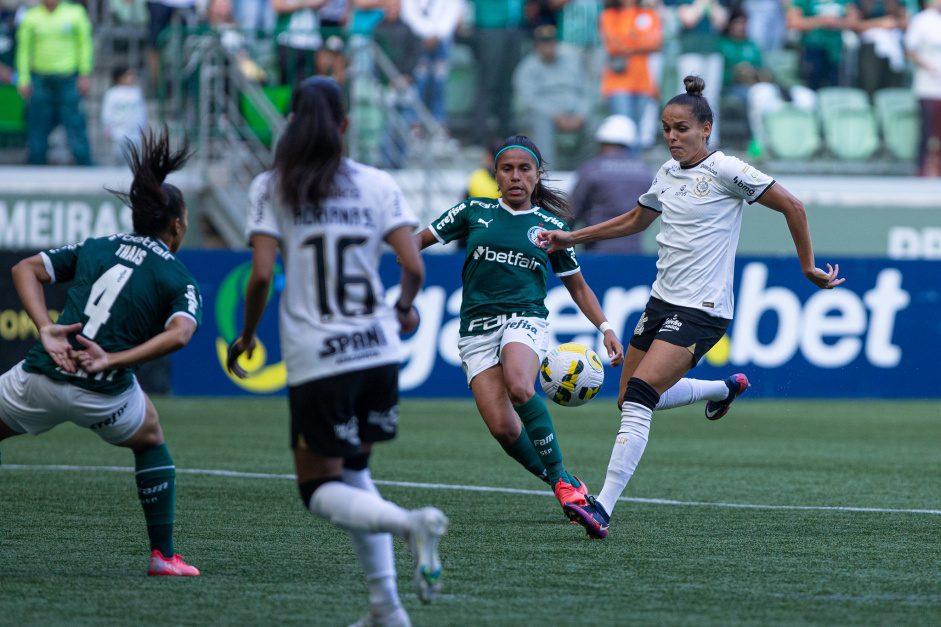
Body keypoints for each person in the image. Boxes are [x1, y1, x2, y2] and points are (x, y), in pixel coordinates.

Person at [538, 76, 845, 539]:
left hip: (703, 308)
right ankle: (721, 389)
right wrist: (571, 236)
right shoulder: (666, 173)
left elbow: (793, 206)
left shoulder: (727, 170)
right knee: (628, 398)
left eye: (681, 128)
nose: (672, 136)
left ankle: (602, 507)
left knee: (640, 396)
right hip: (661, 301)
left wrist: (807, 267)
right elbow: (635, 219)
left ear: (706, 127)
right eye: (665, 128)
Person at [225, 76, 447, 627]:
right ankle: (385, 609)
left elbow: (258, 278)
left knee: (318, 487)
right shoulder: (378, 183)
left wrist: (248, 335)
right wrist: (403, 306)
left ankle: (407, 524)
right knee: (352, 471)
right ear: (345, 125)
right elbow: (414, 266)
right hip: (378, 352)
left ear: (291, 124)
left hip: (319, 356)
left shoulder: (271, 185)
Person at [0, 128, 202, 576]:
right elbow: (180, 334)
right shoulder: (178, 277)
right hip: (105, 395)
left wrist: (47, 328)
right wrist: (114, 360)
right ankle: (164, 557)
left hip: (42, 376)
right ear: (176, 224)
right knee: (150, 438)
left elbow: (24, 269)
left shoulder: (97, 246)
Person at [413, 134, 626, 514]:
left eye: (524, 169)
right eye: (507, 169)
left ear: (538, 175)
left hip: (524, 318)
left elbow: (577, 286)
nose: (516, 176)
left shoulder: (550, 226)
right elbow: (415, 243)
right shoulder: (472, 211)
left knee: (519, 384)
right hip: (475, 329)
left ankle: (560, 478)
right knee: (504, 429)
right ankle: (567, 484)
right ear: (495, 174)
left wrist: (606, 327)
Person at [15, 0, 93, 165]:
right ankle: (35, 168)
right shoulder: (31, 16)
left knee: (75, 125)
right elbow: (24, 49)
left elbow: (85, 44)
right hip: (40, 79)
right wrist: (23, 78)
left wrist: (85, 73)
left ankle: (85, 167)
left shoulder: (75, 12)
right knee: (38, 126)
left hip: (69, 79)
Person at [512, 24, 593, 169]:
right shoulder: (528, 67)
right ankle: (548, 175)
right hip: (546, 113)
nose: (549, 47)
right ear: (536, 46)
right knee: (540, 123)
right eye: (544, 44)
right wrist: (555, 115)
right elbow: (529, 100)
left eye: (551, 43)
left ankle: (586, 172)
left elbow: (586, 92)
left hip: (575, 111)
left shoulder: (572, 61)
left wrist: (581, 114)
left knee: (596, 124)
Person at [570, 114, 651, 253]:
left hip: (598, 251)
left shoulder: (592, 169)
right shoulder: (645, 172)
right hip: (634, 252)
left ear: (603, 142)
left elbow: (571, 212)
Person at [598, 0, 663, 148]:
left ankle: (633, 168)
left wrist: (627, 41)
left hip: (643, 82)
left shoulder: (648, 14)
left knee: (637, 130)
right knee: (622, 128)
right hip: (618, 81)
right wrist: (638, 41)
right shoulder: (608, 15)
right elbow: (613, 46)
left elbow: (655, 43)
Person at [401, 0, 465, 127]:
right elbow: (407, 10)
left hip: (442, 41)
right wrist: (424, 33)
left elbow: (454, 8)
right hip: (417, 40)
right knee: (419, 83)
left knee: (439, 85)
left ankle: (438, 125)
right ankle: (416, 126)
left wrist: (438, 34)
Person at [786, 0, 860, 90]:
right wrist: (821, 20)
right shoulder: (804, 1)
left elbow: (855, 22)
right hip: (811, 49)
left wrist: (835, 22)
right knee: (811, 86)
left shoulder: (844, 1)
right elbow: (793, 22)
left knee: (836, 87)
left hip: (836, 51)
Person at [905, 0, 941, 177]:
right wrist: (928, 66)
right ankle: (922, 169)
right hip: (928, 85)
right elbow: (910, 50)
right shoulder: (921, 20)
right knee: (927, 130)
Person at [101, 66, 149, 166]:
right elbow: (107, 111)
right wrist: (107, 127)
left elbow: (141, 110)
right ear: (119, 77)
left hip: (134, 130)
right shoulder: (112, 93)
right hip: (118, 131)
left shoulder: (136, 92)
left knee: (133, 156)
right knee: (119, 155)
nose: (131, 78)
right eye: (128, 75)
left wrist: (143, 124)